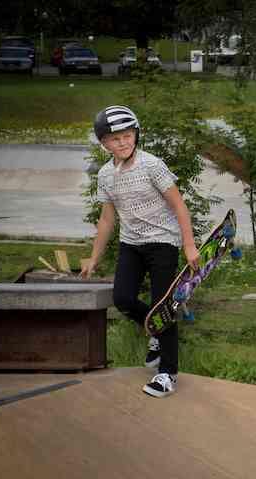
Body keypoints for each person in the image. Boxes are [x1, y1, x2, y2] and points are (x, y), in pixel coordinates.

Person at [80, 105, 200, 397]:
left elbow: (179, 206)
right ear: (104, 143)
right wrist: (94, 257)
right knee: (122, 298)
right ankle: (155, 332)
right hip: (131, 243)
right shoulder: (106, 175)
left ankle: (167, 373)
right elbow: (108, 218)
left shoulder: (152, 165)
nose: (122, 142)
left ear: (136, 135)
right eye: (114, 138)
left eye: (127, 136)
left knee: (163, 307)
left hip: (163, 241)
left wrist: (189, 245)